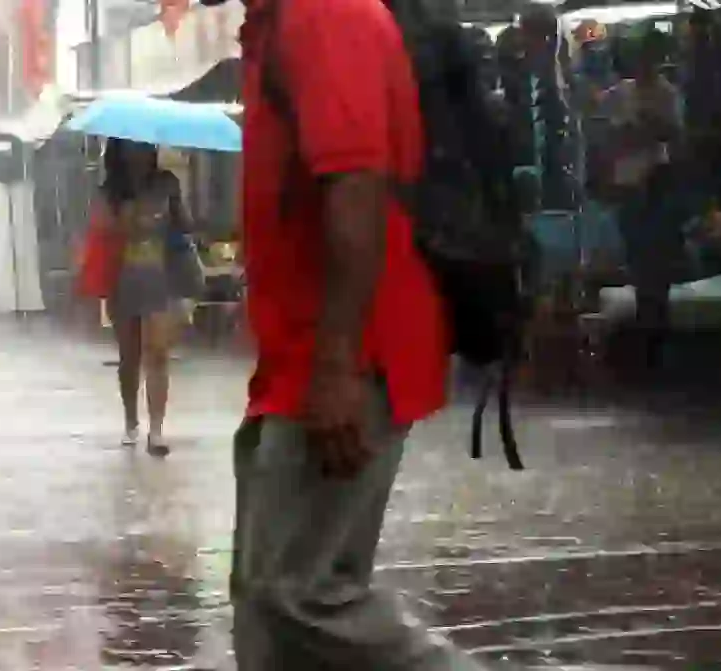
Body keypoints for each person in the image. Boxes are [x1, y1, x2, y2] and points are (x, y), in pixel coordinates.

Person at [200, 0, 505, 667]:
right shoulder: (275, 22)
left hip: (348, 353)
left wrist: (338, 366)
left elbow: (356, 187)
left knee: (297, 595)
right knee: (265, 606)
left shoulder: (322, 13)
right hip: (303, 358)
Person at [98, 139, 192, 457]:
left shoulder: (167, 184)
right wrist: (126, 218)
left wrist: (174, 212)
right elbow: (103, 230)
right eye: (130, 147)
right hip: (122, 280)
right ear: (119, 152)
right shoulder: (110, 191)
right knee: (129, 357)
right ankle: (130, 421)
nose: (138, 153)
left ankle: (156, 430)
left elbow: (186, 226)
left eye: (143, 147)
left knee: (158, 353)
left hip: (160, 278)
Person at [599, 36, 687, 369]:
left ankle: (658, 337)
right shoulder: (621, 92)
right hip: (627, 183)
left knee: (656, 262)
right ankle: (645, 336)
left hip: (655, 182)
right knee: (637, 261)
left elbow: (673, 134)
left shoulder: (667, 93)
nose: (640, 66)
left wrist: (645, 128)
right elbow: (606, 130)